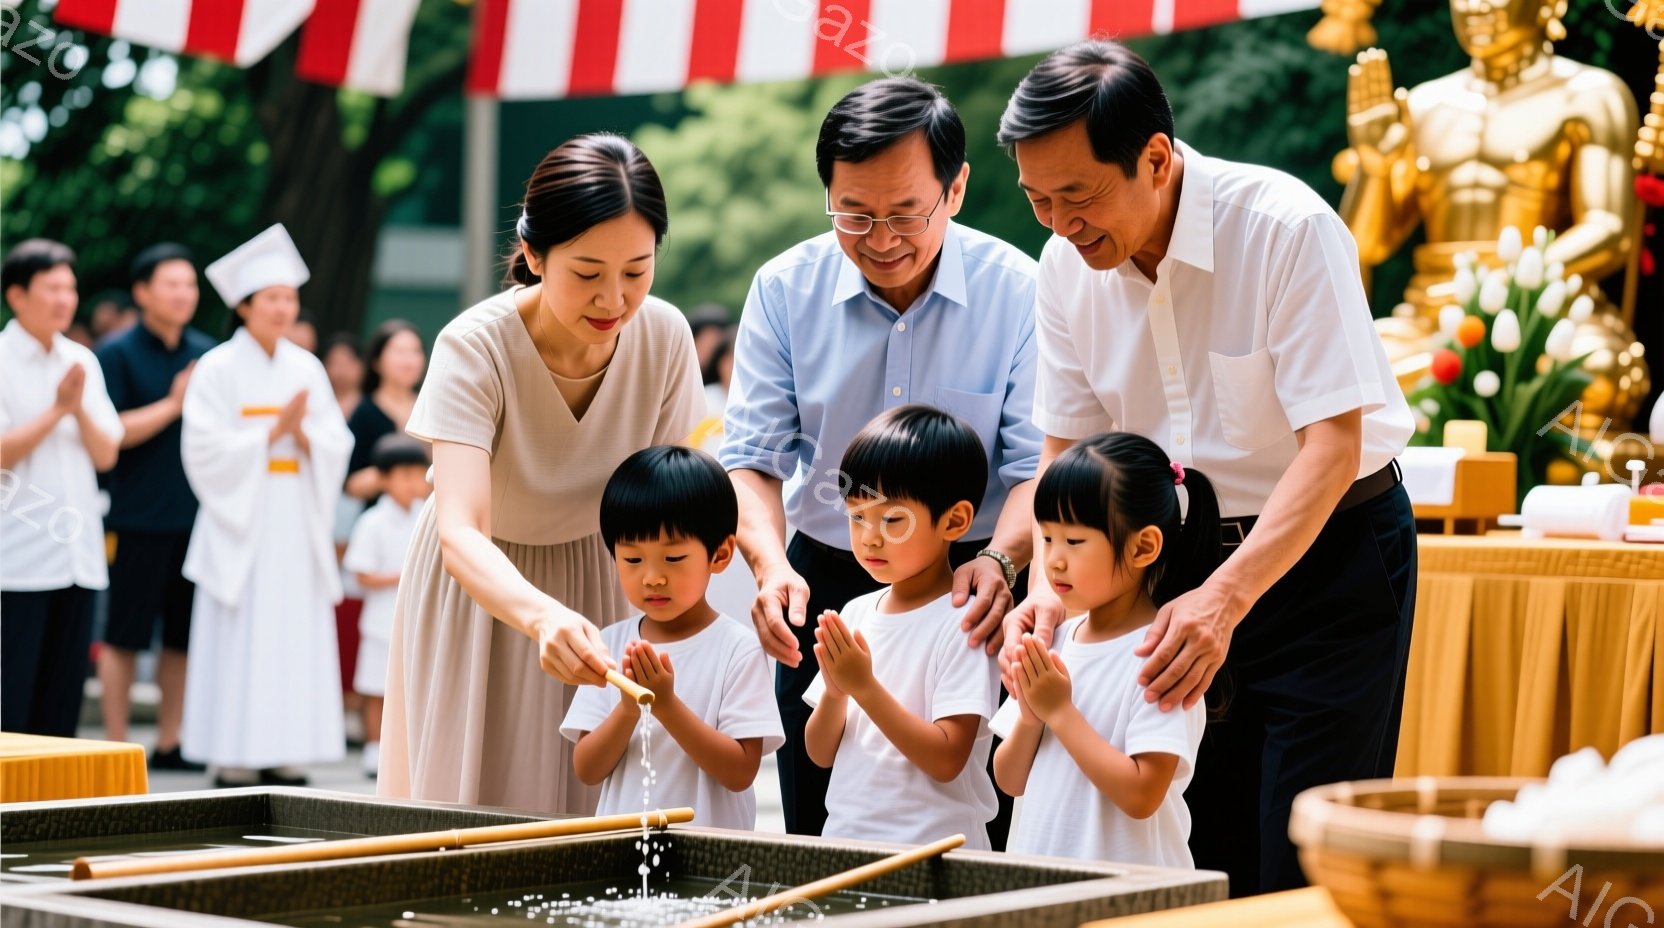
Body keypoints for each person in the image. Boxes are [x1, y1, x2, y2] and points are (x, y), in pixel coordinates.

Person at [997, 41, 1417, 895]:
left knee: (1300, 855)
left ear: (1155, 158)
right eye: (1037, 200)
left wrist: (1226, 597)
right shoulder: (1062, 271)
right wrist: (1045, 584)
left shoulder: (1284, 227)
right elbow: (1064, 456)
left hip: (1328, 562)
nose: (1059, 225)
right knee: (1201, 854)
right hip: (1170, 574)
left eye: (1077, 195)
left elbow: (1332, 447)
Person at [721, 77, 1048, 842]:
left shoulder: (1020, 290)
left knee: (974, 819)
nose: (880, 238)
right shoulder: (783, 289)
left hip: (973, 584)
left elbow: (1038, 465)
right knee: (820, 820)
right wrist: (772, 571)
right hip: (829, 581)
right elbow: (752, 458)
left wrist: (1002, 561)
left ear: (956, 188)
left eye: (906, 212)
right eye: (853, 214)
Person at [378, 133, 704, 815]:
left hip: (604, 585)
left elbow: (679, 495)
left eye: (637, 271)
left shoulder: (666, 337)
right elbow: (460, 531)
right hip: (482, 596)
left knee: (600, 815)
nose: (613, 298)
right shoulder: (476, 345)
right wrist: (541, 617)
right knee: (472, 813)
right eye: (587, 273)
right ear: (533, 253)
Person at [992, 433, 1217, 867]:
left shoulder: (1162, 655)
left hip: (1132, 898)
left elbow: (1141, 794)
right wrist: (1030, 716)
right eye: (1048, 538)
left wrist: (1059, 712)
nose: (1053, 560)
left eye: (1073, 542)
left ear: (1143, 547)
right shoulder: (1054, 636)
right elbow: (1009, 779)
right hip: (1040, 888)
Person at [179, 224, 353, 787]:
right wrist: (269, 433)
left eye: (290, 299)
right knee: (240, 629)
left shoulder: (306, 367)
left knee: (291, 630)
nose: (284, 309)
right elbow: (201, 448)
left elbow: (336, 442)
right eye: (272, 299)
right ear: (244, 305)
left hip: (293, 513)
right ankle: (231, 753)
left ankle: (287, 749)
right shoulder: (217, 369)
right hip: (242, 514)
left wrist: (303, 437)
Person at [803, 406, 1001, 849]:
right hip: (850, 844)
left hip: (938, 853)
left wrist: (864, 687)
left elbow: (948, 757)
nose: (870, 537)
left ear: (954, 520)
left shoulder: (964, 621)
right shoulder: (856, 613)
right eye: (857, 517)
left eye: (892, 520)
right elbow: (818, 752)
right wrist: (836, 693)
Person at [562, 446, 783, 829]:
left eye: (673, 558)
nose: (652, 577)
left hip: (712, 863)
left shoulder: (738, 649)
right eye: (633, 560)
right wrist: (630, 707)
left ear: (720, 554)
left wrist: (664, 704)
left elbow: (740, 772)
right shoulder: (609, 645)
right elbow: (587, 768)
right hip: (623, 853)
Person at [95, 242, 217, 770]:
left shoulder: (207, 352)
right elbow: (111, 433)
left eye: (190, 284)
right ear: (143, 292)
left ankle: (171, 740)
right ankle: (118, 744)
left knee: (181, 638)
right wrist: (173, 404)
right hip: (134, 518)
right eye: (172, 283)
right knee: (124, 637)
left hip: (196, 518)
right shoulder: (115, 354)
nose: (183, 294)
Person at [0, 239, 123, 737]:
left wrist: (75, 408)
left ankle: (55, 814)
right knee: (13, 699)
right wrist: (56, 410)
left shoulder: (82, 361)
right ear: (17, 295)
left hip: (79, 555)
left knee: (62, 703)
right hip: (19, 560)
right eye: (51, 288)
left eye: (69, 288)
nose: (64, 299)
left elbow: (106, 453)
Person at [343, 435, 430, 779]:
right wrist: (401, 576)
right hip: (381, 619)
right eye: (403, 475)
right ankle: (373, 747)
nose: (412, 484)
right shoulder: (372, 523)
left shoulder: (426, 515)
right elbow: (360, 574)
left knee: (412, 685)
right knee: (376, 688)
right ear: (384, 478)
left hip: (417, 619)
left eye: (417, 475)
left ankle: (407, 747)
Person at [345, 320, 426, 502]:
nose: (409, 360)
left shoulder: (431, 408)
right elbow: (350, 483)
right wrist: (390, 476)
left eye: (415, 351)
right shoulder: (364, 413)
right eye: (400, 352)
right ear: (377, 361)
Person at [321, 333, 366, 420]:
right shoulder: (316, 402)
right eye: (335, 363)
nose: (341, 370)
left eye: (347, 363)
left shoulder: (370, 407)